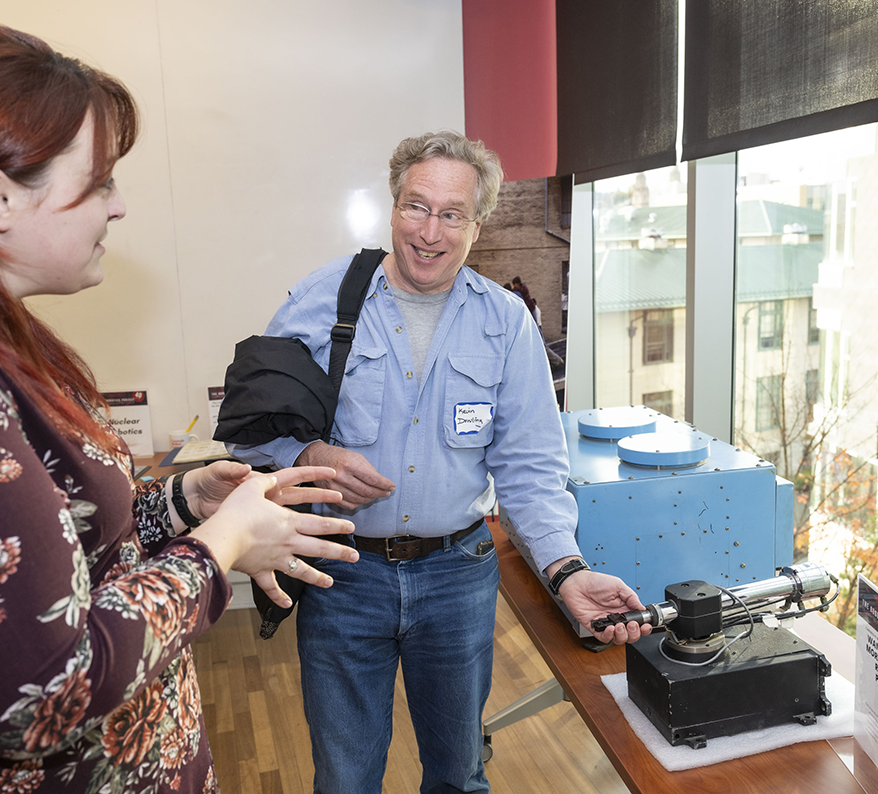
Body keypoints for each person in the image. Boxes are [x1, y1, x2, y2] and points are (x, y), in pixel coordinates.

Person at [0, 24, 358, 793]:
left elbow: (52, 552)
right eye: (99, 181)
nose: (119, 206)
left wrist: (176, 505)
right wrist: (221, 544)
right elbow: (38, 695)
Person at [229, 130, 651, 794]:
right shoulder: (324, 299)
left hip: (458, 580)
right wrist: (308, 453)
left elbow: (529, 467)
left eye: (452, 214)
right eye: (416, 207)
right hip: (344, 575)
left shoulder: (505, 324)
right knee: (344, 778)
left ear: (476, 226)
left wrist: (566, 569)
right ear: (393, 208)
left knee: (459, 773)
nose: (430, 231)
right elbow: (247, 431)